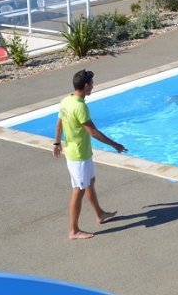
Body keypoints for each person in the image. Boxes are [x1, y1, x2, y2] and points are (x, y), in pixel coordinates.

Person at [53, 69, 127, 240]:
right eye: (92, 84)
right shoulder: (80, 107)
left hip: (80, 152)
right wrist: (115, 144)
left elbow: (58, 124)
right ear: (86, 86)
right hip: (78, 155)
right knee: (78, 190)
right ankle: (73, 230)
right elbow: (93, 132)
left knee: (90, 182)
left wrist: (57, 143)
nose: (93, 86)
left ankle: (100, 214)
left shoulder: (66, 100)